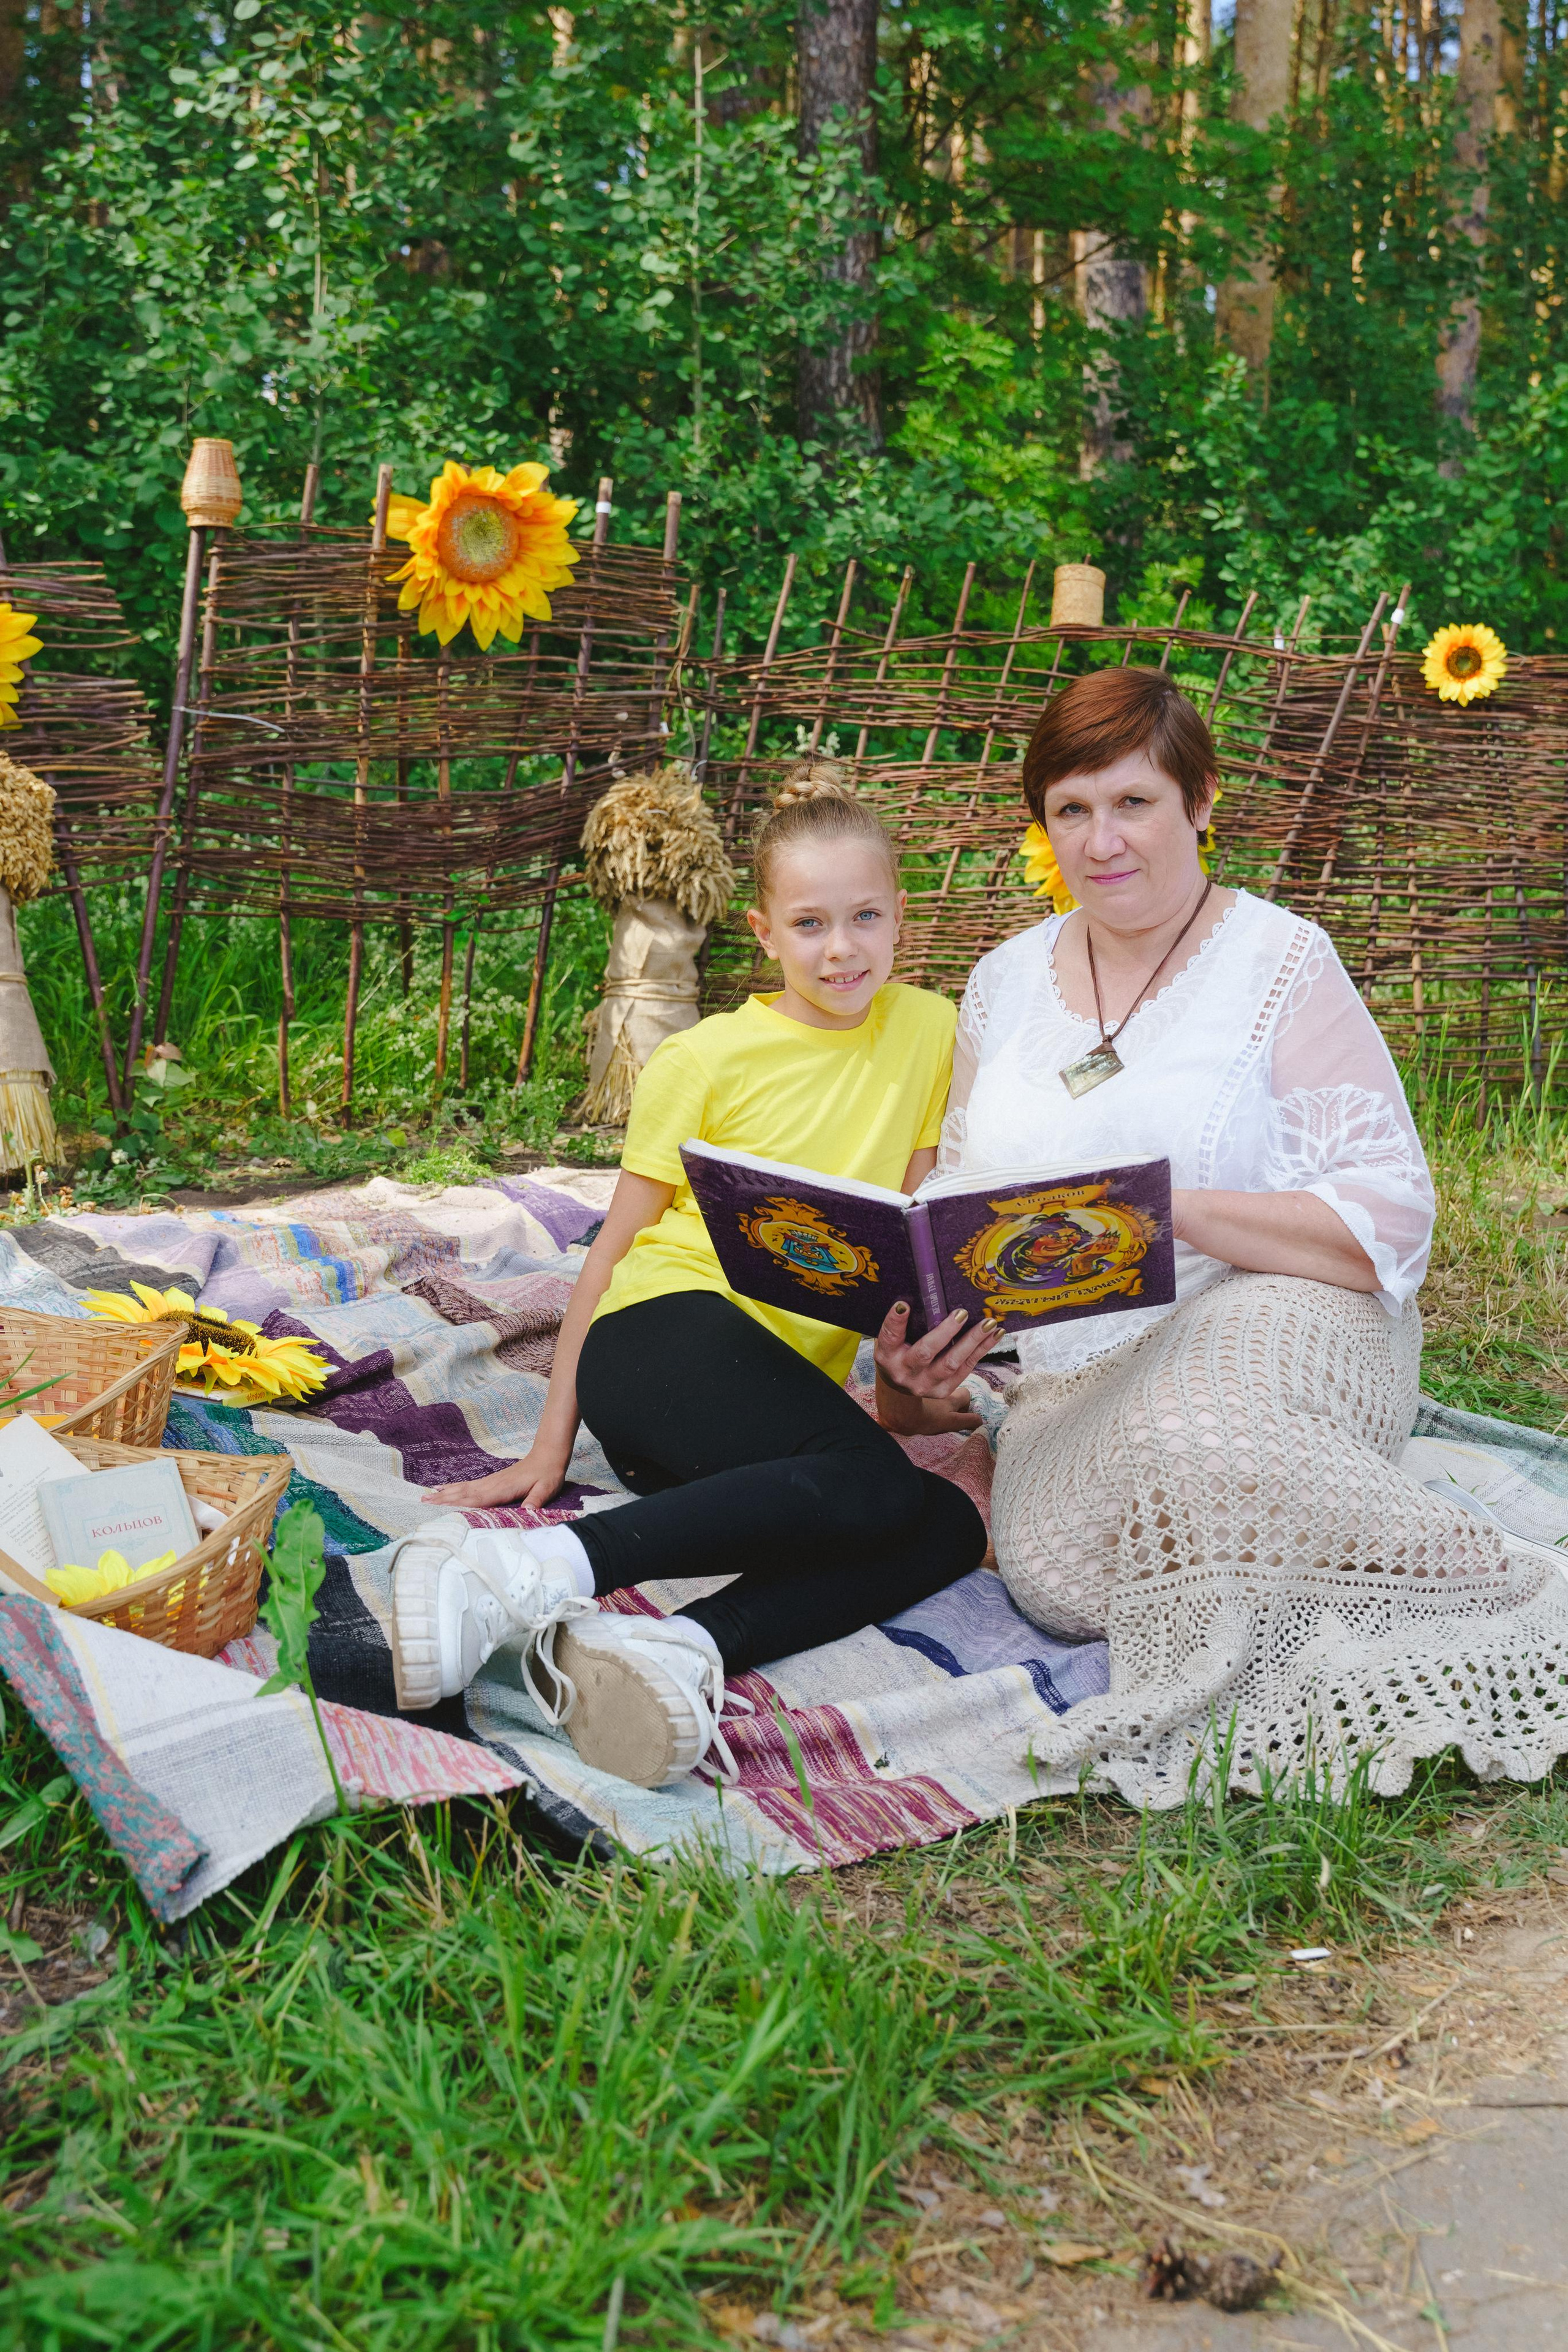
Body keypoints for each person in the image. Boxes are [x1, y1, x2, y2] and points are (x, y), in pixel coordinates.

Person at [939, 662, 1568, 1804]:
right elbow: (956, 1206)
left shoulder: (1280, 962)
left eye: (1133, 802)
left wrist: (1156, 1207)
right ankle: (1304, 1552)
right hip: (1073, 1377)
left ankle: (1512, 1597)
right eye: (1071, 810)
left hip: (1278, 1310)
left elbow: (1385, 1221)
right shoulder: (999, 985)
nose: (1102, 841)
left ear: (1201, 802)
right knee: (1057, 1572)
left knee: (1198, 1435)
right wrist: (920, 1350)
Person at [388, 766, 992, 1787]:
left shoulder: (935, 1032)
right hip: (660, 1338)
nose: (840, 948)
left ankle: (683, 1650)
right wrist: (551, 1443)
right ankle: (524, 1569)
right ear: (762, 933)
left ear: (901, 915)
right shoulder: (706, 1060)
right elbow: (612, 1252)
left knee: (939, 1522)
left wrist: (909, 1372)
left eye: (864, 918)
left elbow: (908, 1242)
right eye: (809, 924)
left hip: (751, 1435)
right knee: (878, 1488)